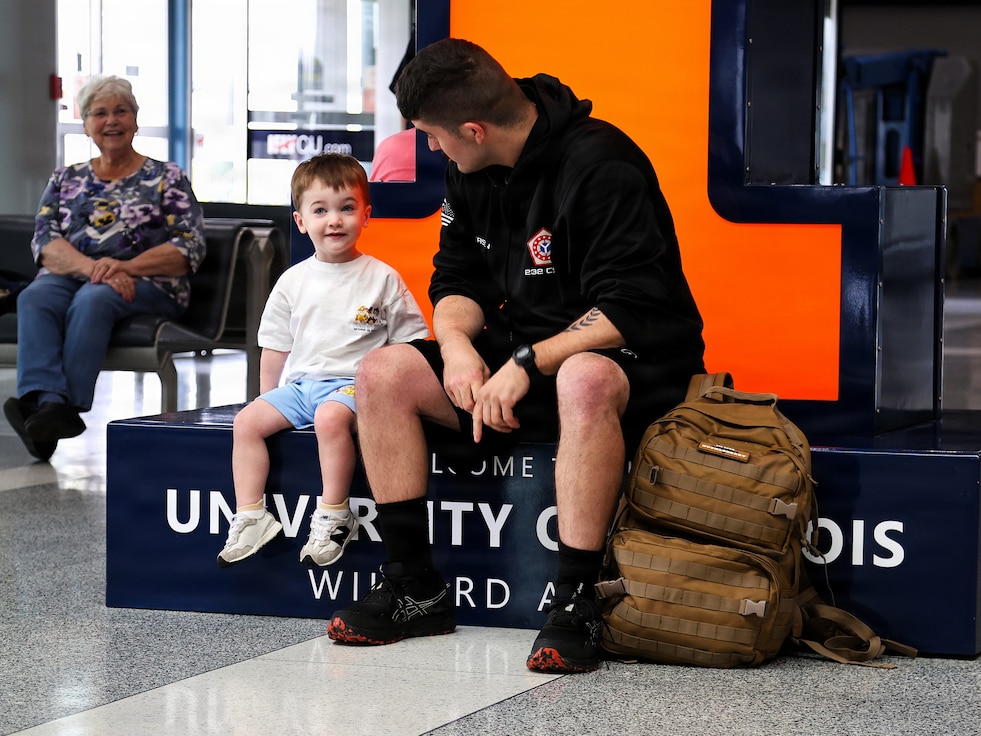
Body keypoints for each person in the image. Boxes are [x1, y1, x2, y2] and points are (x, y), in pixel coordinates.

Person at [325, 39, 706, 674]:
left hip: (629, 357)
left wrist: (527, 362)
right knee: (383, 371)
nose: (432, 149)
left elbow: (629, 307)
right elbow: (456, 280)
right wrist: (455, 349)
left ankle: (577, 603)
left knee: (581, 378)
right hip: (521, 352)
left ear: (473, 129)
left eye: (433, 136)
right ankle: (415, 588)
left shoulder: (602, 164)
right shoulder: (469, 167)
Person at [216, 153, 430, 568]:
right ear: (300, 221)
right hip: (300, 387)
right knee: (246, 422)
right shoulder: (292, 280)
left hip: (353, 387)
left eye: (346, 208)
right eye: (320, 210)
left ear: (366, 215)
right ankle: (251, 515)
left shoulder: (382, 277)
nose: (334, 220)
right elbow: (275, 345)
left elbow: (414, 344)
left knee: (330, 418)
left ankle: (335, 514)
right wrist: (268, 399)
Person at [2, 75, 206, 462]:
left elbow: (188, 246)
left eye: (120, 111)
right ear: (86, 125)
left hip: (151, 285)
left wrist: (124, 267)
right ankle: (49, 405)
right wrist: (99, 267)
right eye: (100, 113)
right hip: (77, 276)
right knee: (35, 296)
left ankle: (62, 404)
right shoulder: (66, 177)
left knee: (95, 299)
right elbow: (45, 241)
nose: (111, 120)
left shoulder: (167, 177)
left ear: (135, 119)